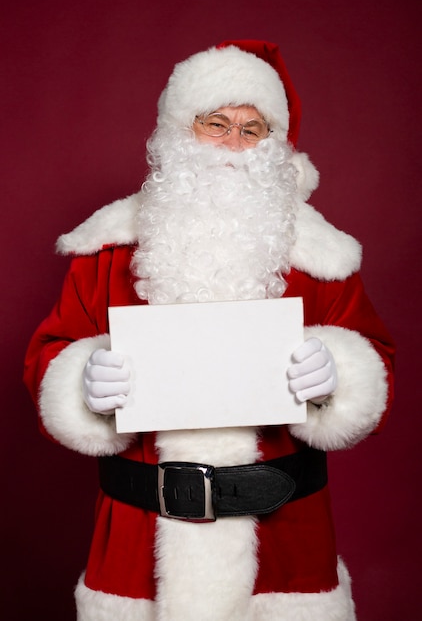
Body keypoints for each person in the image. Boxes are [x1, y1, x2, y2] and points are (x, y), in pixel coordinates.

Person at [24, 40, 395, 621]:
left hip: (284, 549)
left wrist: (338, 372)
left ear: (275, 147)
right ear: (178, 131)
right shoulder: (106, 246)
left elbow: (377, 359)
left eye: (253, 131)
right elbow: (49, 351)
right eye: (215, 123)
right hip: (137, 546)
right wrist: (80, 381)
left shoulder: (324, 254)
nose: (232, 145)